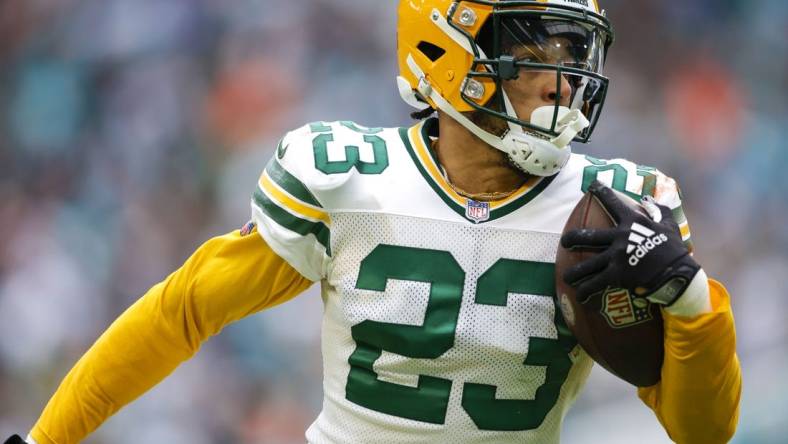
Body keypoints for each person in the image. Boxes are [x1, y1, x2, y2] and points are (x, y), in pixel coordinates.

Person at [6, 1, 741, 443]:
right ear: (445, 54)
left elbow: (703, 433)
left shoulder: (616, 210)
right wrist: (47, 437)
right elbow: (182, 313)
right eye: (533, 54)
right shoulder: (349, 179)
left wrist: (689, 295)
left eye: (573, 53)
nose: (562, 81)